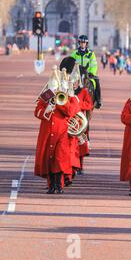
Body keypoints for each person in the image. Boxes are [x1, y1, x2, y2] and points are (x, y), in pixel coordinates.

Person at [34, 66, 79, 194]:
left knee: (59, 159)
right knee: (49, 159)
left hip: (61, 132)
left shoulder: (63, 96)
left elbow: (70, 111)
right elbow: (37, 112)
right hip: (47, 132)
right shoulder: (46, 95)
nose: (54, 90)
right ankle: (51, 185)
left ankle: (59, 185)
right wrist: (46, 110)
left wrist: (60, 102)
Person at [70, 35, 102, 109]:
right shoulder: (75, 53)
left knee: (97, 82)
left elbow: (94, 64)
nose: (83, 44)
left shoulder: (91, 53)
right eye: (81, 43)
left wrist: (92, 72)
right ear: (79, 43)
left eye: (84, 43)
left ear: (86, 44)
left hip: (88, 74)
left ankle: (98, 100)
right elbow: (70, 62)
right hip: (77, 74)